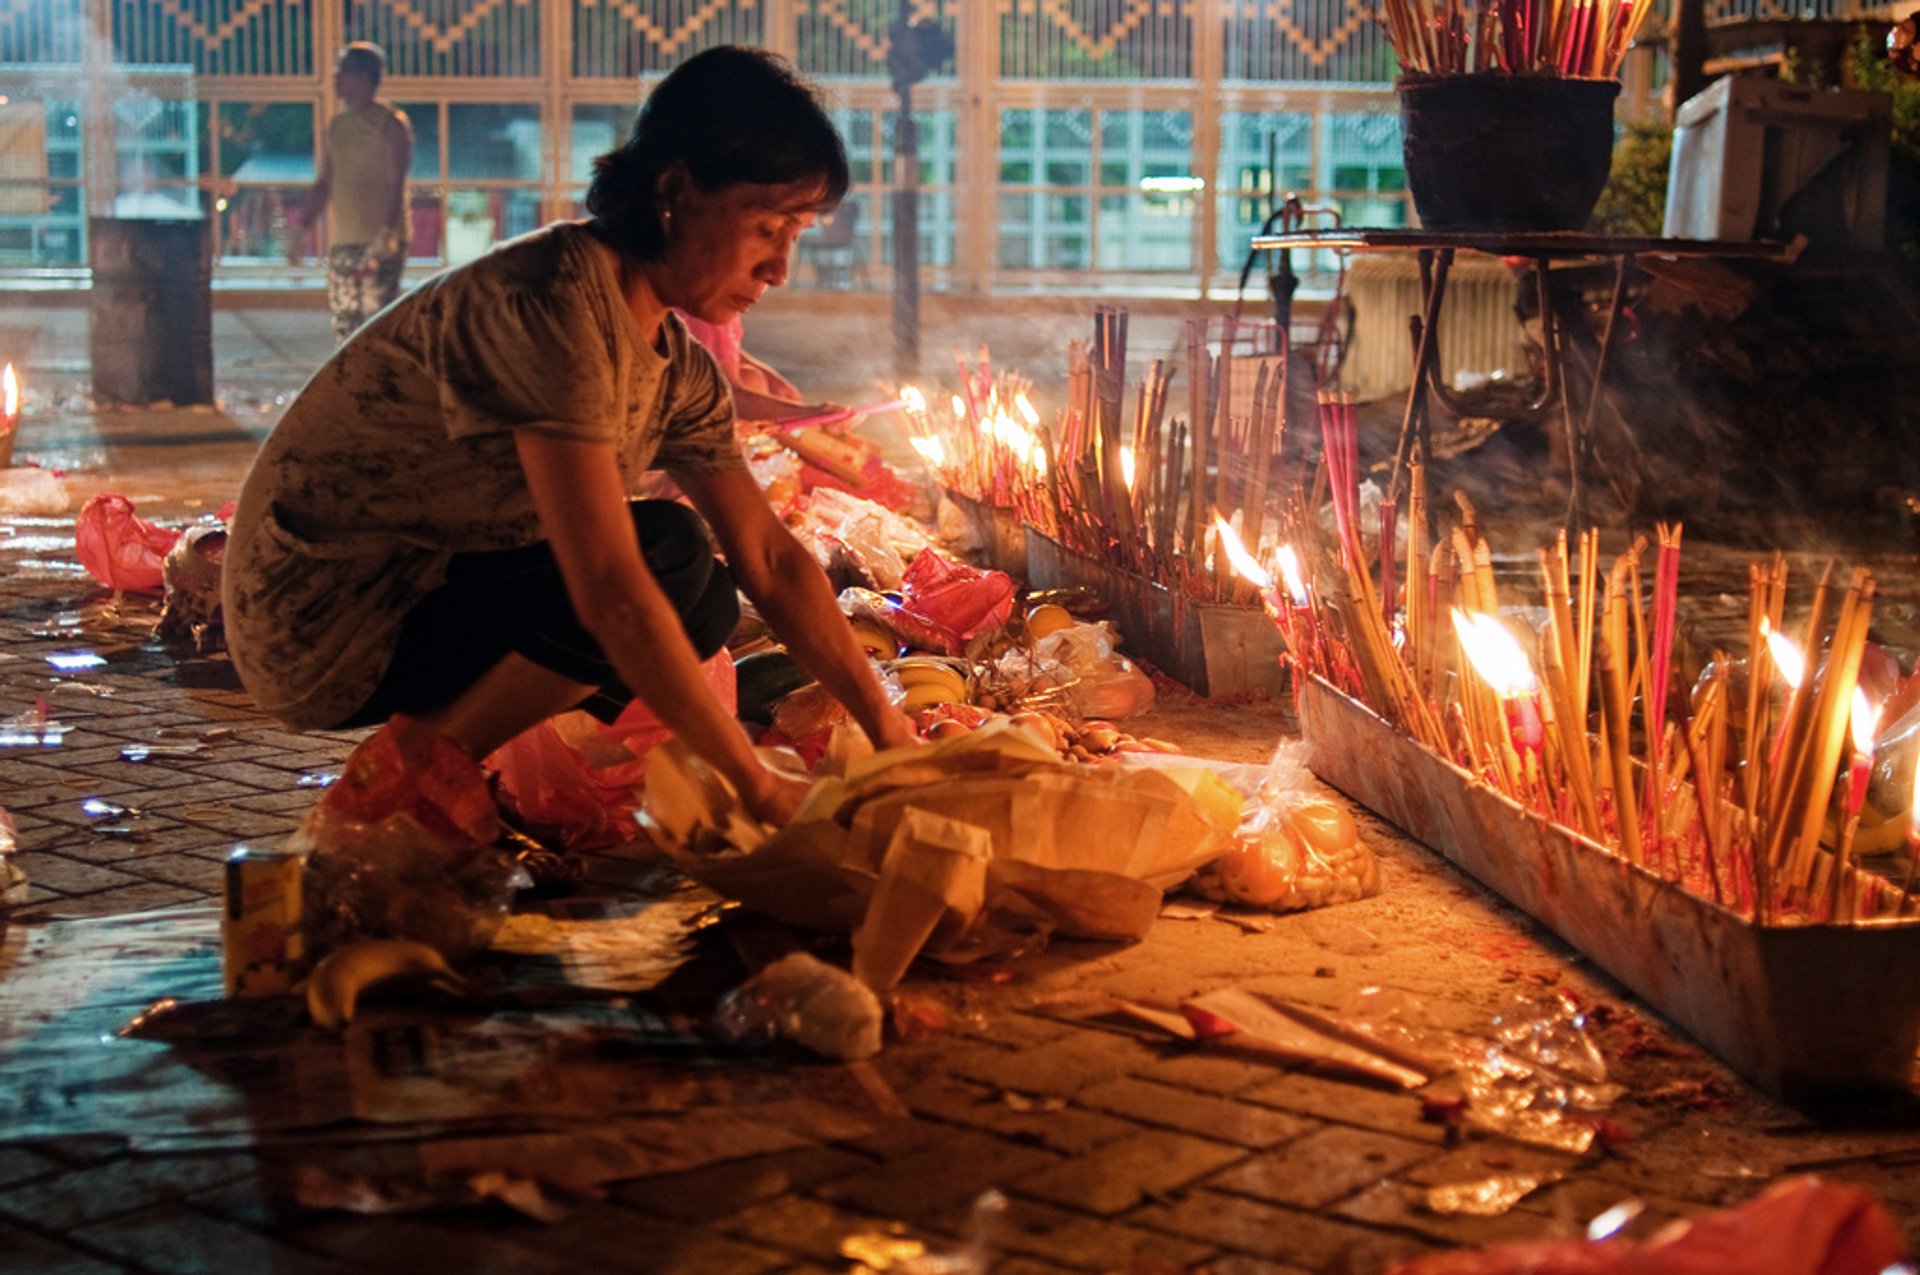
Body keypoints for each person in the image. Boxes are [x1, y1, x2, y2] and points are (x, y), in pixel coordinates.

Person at [225, 45, 918, 828]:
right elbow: (610, 589)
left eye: (797, 232)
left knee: (706, 595)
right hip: (321, 615)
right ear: (673, 192)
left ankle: (434, 757)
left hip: (422, 586)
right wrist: (750, 780)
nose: (780, 267)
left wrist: (893, 733)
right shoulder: (556, 304)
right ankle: (411, 777)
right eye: (767, 226)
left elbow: (769, 559)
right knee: (665, 556)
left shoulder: (676, 369)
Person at [288, 42, 413, 342]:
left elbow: (398, 183)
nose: (335, 79)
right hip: (344, 240)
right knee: (345, 325)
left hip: (380, 242)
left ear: (363, 77)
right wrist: (302, 230)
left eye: (342, 72)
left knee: (376, 325)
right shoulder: (338, 126)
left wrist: (386, 236)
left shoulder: (391, 124)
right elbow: (326, 182)